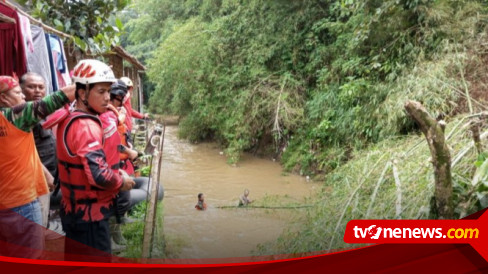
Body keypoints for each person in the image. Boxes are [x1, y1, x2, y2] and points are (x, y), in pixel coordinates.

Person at [55, 59, 135, 260]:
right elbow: (99, 176)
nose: (107, 98)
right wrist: (121, 181)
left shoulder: (70, 117)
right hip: (90, 217)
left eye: (108, 91)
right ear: (82, 93)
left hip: (74, 213)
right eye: (101, 92)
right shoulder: (86, 126)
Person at [0, 75, 75, 259]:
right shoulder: (14, 117)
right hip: (21, 203)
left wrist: (44, 174)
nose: (24, 97)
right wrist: (92, 80)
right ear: (3, 98)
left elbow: (15, 152)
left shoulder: (13, 125)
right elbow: (55, 99)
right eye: (18, 92)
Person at [20, 72, 58, 228]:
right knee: (36, 226)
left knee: (43, 220)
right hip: (34, 181)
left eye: (41, 87)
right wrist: (46, 175)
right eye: (31, 87)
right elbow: (23, 152)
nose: (37, 91)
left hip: (48, 179)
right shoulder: (21, 116)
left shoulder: (43, 113)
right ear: (21, 90)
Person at [119, 76, 148, 144]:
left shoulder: (125, 99)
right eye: (129, 88)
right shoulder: (125, 96)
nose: (131, 91)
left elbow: (130, 111)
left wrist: (142, 116)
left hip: (127, 128)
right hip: (124, 129)